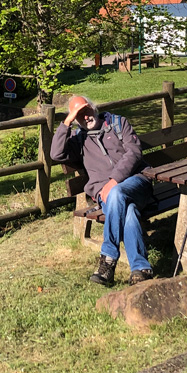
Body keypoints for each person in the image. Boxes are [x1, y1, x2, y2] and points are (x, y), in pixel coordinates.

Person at [51, 95, 155, 286]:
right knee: (129, 211)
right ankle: (141, 269)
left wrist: (113, 181)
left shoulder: (118, 123)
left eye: (86, 110)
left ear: (93, 107)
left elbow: (134, 152)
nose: (85, 117)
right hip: (106, 194)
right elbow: (56, 154)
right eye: (78, 115)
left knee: (116, 193)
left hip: (136, 182)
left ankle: (108, 259)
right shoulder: (78, 139)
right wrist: (66, 122)